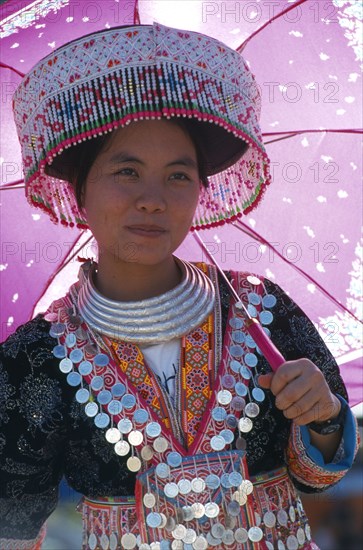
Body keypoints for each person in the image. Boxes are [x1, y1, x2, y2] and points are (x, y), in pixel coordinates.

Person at [0, 22, 358, 550]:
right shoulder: (33, 360)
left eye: (178, 175)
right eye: (126, 172)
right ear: (79, 195)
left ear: (199, 192)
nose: (153, 200)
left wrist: (324, 414)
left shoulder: (260, 312)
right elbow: (12, 521)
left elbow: (319, 476)